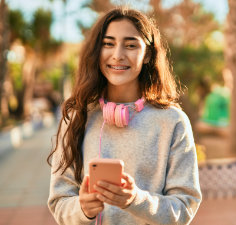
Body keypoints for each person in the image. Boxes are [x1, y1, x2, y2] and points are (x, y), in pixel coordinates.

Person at [47, 6, 202, 225]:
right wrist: (82, 209)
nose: (118, 55)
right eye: (108, 44)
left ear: (147, 54)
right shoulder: (76, 117)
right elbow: (59, 202)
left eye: (130, 45)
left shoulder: (173, 121)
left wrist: (135, 200)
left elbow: (185, 207)